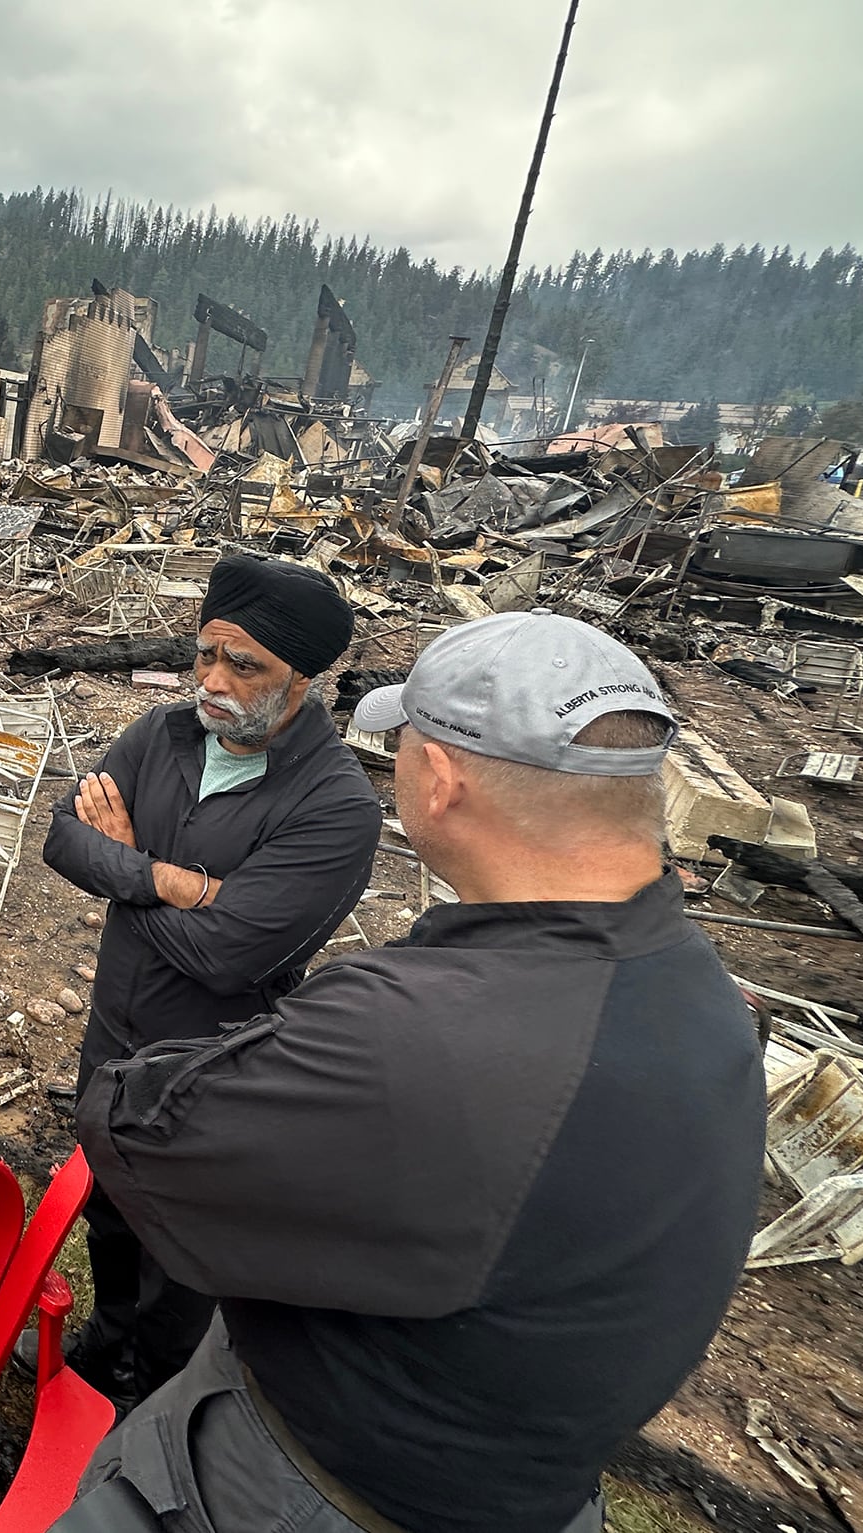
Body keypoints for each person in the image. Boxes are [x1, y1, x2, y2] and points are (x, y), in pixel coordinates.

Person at [64, 611, 764, 1533]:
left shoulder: (406, 1025)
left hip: (298, 1488)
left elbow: (131, 1124)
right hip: (527, 1490)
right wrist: (180, 886)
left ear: (439, 779)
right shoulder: (712, 1006)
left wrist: (131, 873)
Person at [27, 552, 382, 1408]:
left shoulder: (336, 806)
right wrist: (175, 880)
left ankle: (155, 1399)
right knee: (109, 1212)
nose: (213, 681)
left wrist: (125, 864)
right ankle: (104, 1344)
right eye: (205, 655)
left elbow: (229, 955)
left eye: (243, 665)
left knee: (181, 1252)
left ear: (301, 677)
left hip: (209, 1070)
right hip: (112, 1040)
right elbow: (63, 838)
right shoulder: (164, 734)